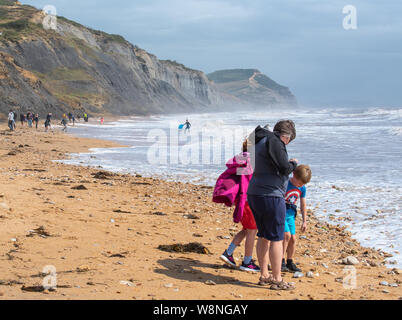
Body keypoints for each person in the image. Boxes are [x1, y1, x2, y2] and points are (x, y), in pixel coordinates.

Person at [247, 120, 298, 290]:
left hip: (254, 192)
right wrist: (293, 164)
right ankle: (277, 278)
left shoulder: (259, 140)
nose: (287, 144)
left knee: (263, 235)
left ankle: (264, 275)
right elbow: (284, 168)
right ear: (286, 136)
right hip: (271, 195)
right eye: (289, 141)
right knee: (277, 238)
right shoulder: (275, 141)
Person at [214, 138, 260, 273]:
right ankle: (247, 261)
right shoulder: (252, 162)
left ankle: (228, 252)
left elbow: (240, 175)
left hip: (241, 199)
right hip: (248, 201)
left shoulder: (240, 160)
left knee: (247, 229)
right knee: (252, 231)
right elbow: (252, 179)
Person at [282, 165, 311, 273]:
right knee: (286, 236)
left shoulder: (302, 188)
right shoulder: (285, 183)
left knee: (293, 239)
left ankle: (290, 261)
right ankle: (281, 261)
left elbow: (303, 204)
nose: (301, 185)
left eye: (303, 184)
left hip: (290, 214)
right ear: (293, 174)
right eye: (299, 183)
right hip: (281, 212)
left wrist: (304, 221)